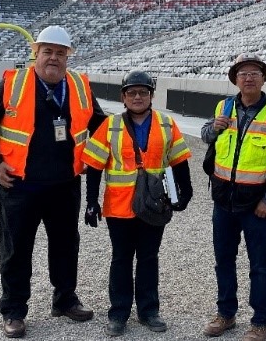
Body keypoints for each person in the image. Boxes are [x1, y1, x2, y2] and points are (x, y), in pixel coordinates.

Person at [0, 25, 107, 339]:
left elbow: (100, 125)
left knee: (65, 245)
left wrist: (96, 155)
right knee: (16, 249)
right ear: (36, 53)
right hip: (19, 185)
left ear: (68, 57)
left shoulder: (79, 84)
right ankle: (14, 310)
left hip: (64, 184)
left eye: (60, 53)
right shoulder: (12, 83)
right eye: (47, 51)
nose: (54, 58)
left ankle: (65, 300)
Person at [81, 70, 193, 337]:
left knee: (148, 258)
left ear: (152, 96)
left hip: (154, 204)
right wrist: (91, 201)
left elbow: (179, 160)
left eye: (143, 92)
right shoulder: (110, 125)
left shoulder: (167, 124)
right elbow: (95, 165)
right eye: (132, 92)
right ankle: (118, 313)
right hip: (119, 207)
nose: (138, 97)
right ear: (123, 97)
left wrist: (185, 191)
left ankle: (148, 311)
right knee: (120, 259)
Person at [201, 53, 266, 341]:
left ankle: (260, 322)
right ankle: (226, 314)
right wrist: (213, 129)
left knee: (259, 265)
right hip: (223, 201)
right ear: (235, 79)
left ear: (263, 78)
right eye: (243, 73)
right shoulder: (223, 107)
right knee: (223, 261)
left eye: (254, 72)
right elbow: (206, 136)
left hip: (256, 205)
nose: (249, 77)